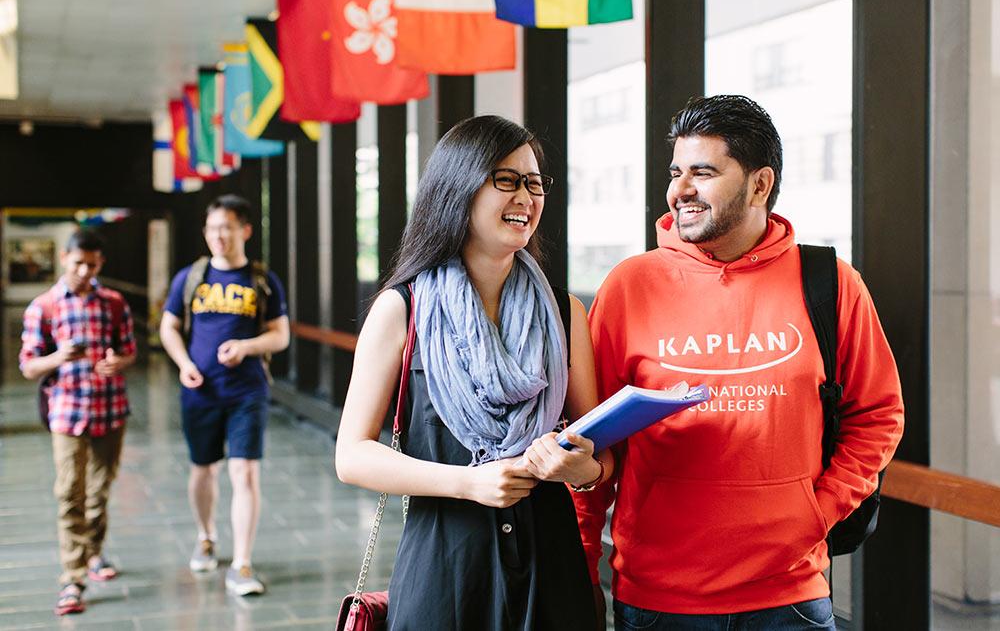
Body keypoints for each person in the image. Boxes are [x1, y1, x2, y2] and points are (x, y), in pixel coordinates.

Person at [575, 95, 905, 630]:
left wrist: (816, 513)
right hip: (659, 601)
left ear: (760, 183)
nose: (680, 190)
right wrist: (580, 571)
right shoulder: (629, 287)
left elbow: (879, 414)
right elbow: (590, 439)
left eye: (702, 172)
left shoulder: (830, 283)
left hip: (790, 597)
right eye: (676, 171)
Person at [335, 115, 613, 630]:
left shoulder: (563, 310)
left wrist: (583, 471)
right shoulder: (403, 310)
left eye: (534, 183)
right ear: (458, 188)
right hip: (445, 569)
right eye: (506, 180)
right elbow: (351, 456)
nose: (525, 197)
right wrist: (468, 482)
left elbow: (598, 452)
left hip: (550, 570)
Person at [159, 194, 289, 596]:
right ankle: (206, 536)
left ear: (244, 231)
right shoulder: (190, 278)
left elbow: (280, 335)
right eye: (212, 228)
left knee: (244, 471)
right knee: (204, 468)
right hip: (201, 392)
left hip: (247, 391)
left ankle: (243, 563)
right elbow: (168, 327)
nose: (218, 236)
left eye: (227, 228)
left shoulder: (262, 280)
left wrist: (246, 347)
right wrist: (184, 364)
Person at [19, 229, 137, 616]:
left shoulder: (115, 303)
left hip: (110, 409)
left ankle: (94, 554)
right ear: (64, 259)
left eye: (92, 264)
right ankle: (72, 578)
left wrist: (117, 362)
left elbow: (129, 351)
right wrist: (59, 358)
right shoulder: (45, 307)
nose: (85, 271)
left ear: (100, 263)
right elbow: (29, 365)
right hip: (67, 414)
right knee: (70, 494)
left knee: (100, 493)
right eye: (78, 263)